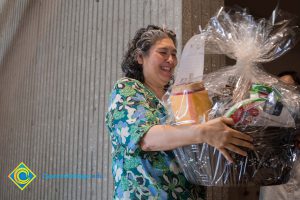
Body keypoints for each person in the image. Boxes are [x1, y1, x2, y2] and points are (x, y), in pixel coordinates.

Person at [105, 25, 254, 199]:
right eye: (163, 52)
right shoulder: (127, 89)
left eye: (174, 54)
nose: (171, 60)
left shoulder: (179, 98)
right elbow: (146, 139)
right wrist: (203, 132)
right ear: (140, 57)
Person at [260, 70, 300, 200]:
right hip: (274, 176)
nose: (283, 93)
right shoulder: (265, 117)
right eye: (278, 89)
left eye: (288, 88)